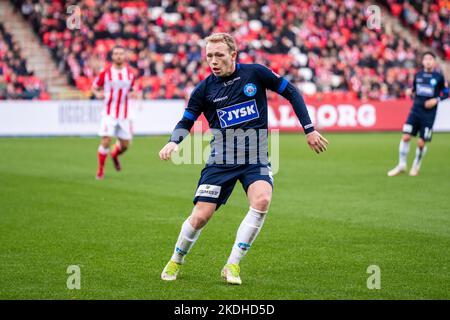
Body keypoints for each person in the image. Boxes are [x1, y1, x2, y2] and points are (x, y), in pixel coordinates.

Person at [159, 33, 328, 285]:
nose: (213, 61)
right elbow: (187, 120)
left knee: (262, 200)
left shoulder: (255, 74)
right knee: (200, 216)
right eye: (209, 56)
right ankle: (176, 259)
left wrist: (309, 128)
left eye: (219, 55)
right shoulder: (203, 90)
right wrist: (174, 141)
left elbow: (291, 92)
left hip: (255, 157)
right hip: (221, 159)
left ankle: (232, 264)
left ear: (233, 55)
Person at [388, 51, 448, 177]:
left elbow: (446, 93)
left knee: (421, 142)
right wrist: (410, 91)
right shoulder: (418, 75)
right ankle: (401, 165)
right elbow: (414, 89)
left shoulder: (439, 77)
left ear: (434, 62)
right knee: (405, 137)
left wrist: (435, 100)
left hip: (429, 115)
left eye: (430, 59)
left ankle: (416, 166)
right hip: (415, 110)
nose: (428, 61)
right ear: (422, 61)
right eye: (425, 59)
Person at [92, 46, 138, 180]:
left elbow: (132, 88)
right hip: (109, 113)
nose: (118, 56)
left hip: (124, 114)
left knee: (125, 145)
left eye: (121, 54)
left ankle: (115, 155)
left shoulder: (130, 73)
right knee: (106, 139)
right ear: (112, 56)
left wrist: (134, 93)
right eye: (116, 54)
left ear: (124, 56)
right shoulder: (105, 72)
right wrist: (98, 94)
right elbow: (95, 87)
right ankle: (100, 170)